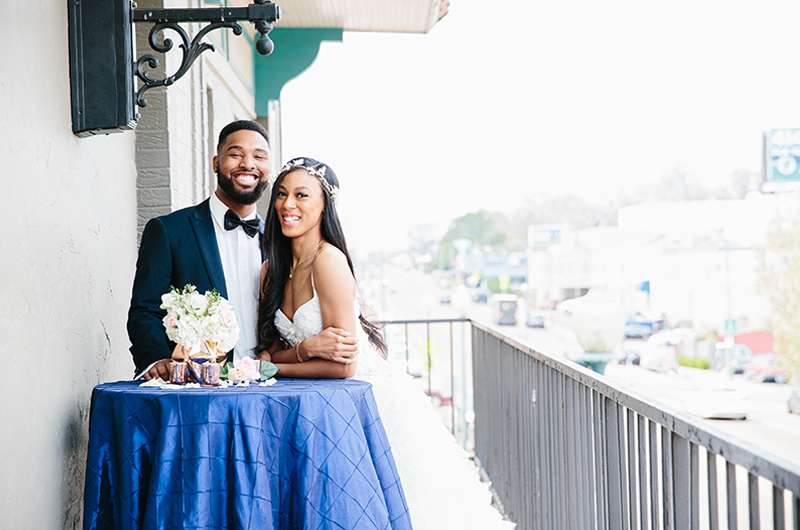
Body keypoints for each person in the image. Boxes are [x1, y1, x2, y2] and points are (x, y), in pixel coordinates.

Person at [255, 157, 515, 530]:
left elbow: (344, 366)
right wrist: (305, 350)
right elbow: (269, 349)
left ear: (325, 205)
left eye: (301, 195)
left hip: (371, 400)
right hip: (320, 406)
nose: (287, 205)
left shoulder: (329, 263)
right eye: (281, 194)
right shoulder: (271, 271)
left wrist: (274, 366)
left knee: (404, 507)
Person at [127, 120, 359, 380]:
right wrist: (157, 358)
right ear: (216, 163)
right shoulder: (169, 231)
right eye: (236, 154)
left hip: (271, 385)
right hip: (199, 384)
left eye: (259, 156)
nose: (248, 164)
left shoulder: (280, 243)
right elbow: (145, 310)